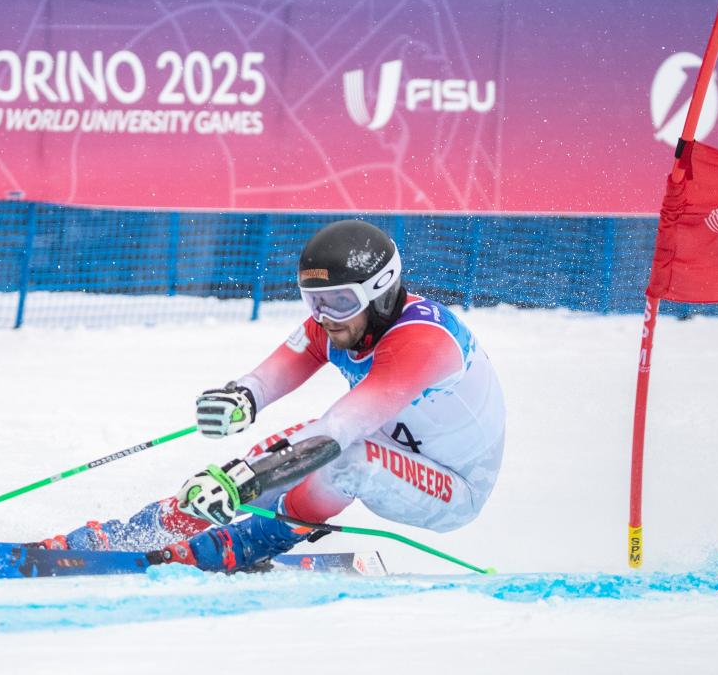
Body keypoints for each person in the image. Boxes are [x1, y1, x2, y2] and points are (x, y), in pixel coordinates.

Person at [41, 220, 506, 573]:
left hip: (452, 488)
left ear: (380, 293)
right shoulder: (339, 323)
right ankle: (134, 535)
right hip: (389, 446)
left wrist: (243, 482)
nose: (325, 317)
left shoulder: (423, 343)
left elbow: (338, 430)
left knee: (341, 460)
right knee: (267, 456)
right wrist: (242, 398)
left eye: (340, 302)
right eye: (314, 301)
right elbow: (269, 378)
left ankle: (249, 543)